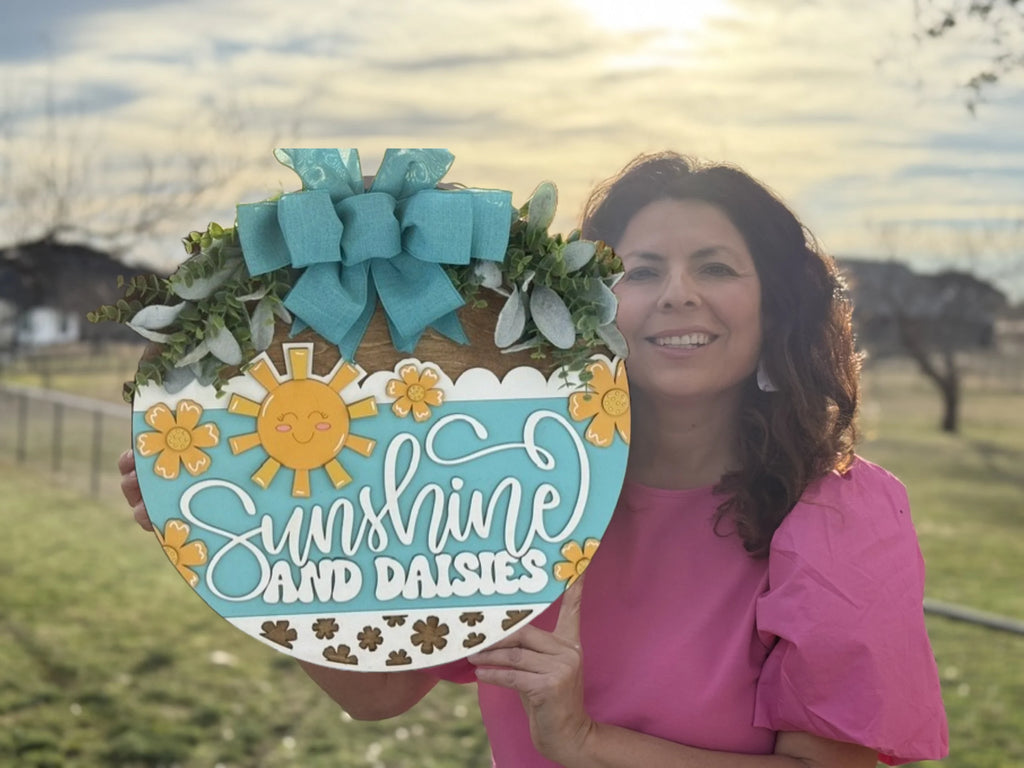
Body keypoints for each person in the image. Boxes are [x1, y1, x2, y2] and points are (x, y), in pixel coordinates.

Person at [119, 151, 949, 767]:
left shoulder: (840, 514)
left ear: (777, 308)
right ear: (586, 308)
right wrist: (254, 541)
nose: (677, 295)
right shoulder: (517, 480)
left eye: (717, 268)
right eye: (642, 270)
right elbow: (377, 691)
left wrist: (585, 741)